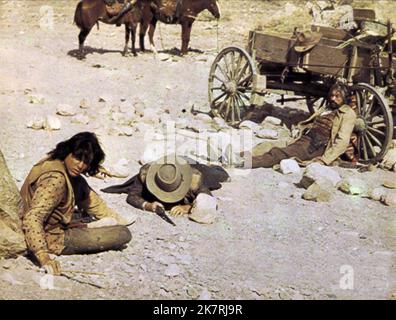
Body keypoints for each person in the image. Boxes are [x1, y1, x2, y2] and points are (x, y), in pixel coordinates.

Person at [20, 132, 133, 275]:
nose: (80, 165)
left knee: (80, 183)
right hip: (51, 236)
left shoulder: (53, 162)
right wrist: (43, 256)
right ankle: (101, 223)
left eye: (86, 162)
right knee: (122, 233)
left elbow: (85, 189)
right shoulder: (56, 180)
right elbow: (33, 217)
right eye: (78, 158)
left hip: (49, 221)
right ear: (68, 152)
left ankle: (111, 217)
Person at [247, 83, 357, 168]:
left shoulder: (347, 114)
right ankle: (242, 156)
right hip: (304, 138)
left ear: (345, 98)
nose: (333, 98)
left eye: (338, 96)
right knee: (268, 145)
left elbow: (342, 141)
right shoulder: (328, 108)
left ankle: (249, 162)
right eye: (332, 95)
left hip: (316, 146)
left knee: (282, 153)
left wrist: (324, 160)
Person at [101, 154, 229, 217]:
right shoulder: (146, 174)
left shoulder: (195, 179)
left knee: (218, 175)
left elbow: (208, 201)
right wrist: (149, 205)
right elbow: (132, 195)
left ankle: (210, 164)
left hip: (192, 166)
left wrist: (188, 207)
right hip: (171, 165)